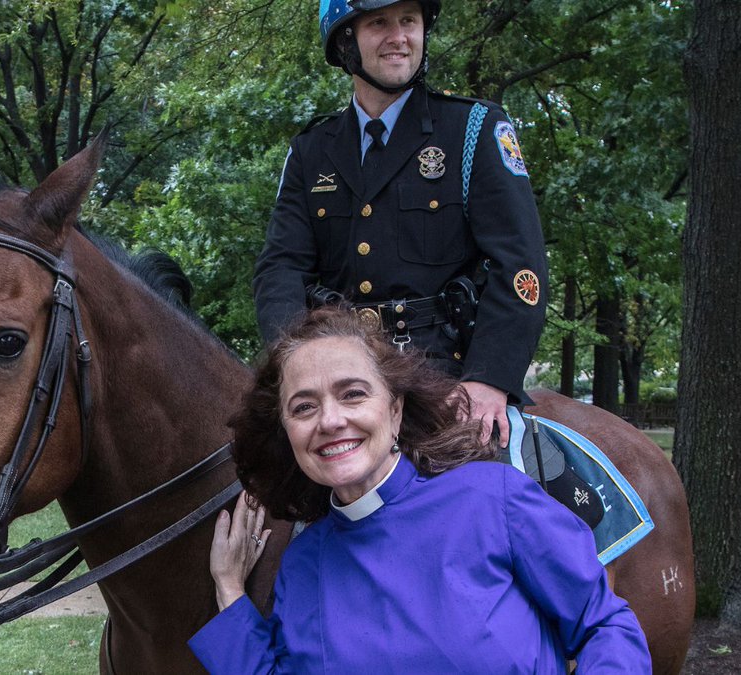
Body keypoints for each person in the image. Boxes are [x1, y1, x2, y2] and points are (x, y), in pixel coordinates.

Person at [187, 309, 650, 673]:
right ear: (287, 430)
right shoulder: (303, 565)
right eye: (304, 406)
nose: (330, 421)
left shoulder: (495, 499)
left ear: (394, 410)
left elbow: (603, 626)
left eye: (352, 394)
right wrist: (229, 591)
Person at [253, 0, 548, 449]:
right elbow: (281, 270)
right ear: (345, 42)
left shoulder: (474, 129)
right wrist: (300, 372)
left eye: (409, 21)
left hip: (445, 383)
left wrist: (489, 379)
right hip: (338, 379)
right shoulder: (311, 151)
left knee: (484, 502)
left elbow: (521, 267)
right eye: (379, 23)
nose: (399, 37)